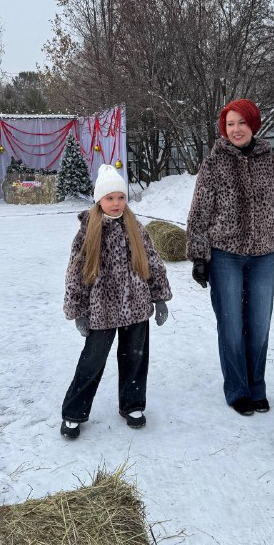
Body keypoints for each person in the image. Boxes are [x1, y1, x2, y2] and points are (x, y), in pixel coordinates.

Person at [186, 99, 274, 416]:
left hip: (264, 255)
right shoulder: (214, 163)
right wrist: (199, 256)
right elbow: (200, 212)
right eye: (230, 124)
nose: (236, 129)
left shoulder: (272, 162)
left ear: (253, 124)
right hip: (225, 255)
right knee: (232, 327)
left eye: (241, 123)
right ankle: (238, 390)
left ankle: (256, 387)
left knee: (259, 324)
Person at [61, 163, 172, 439]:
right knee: (92, 360)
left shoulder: (136, 227)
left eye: (120, 197)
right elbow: (75, 272)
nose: (116, 203)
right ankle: (74, 411)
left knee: (135, 357)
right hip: (102, 310)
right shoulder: (89, 230)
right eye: (110, 198)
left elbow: (153, 262)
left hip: (136, 306)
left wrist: (159, 297)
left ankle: (132, 404)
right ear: (99, 200)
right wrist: (78, 311)